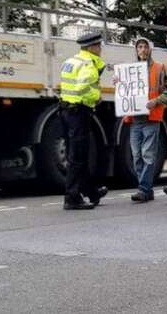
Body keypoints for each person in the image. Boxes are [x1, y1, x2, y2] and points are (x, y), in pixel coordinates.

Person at [58, 31, 109, 210]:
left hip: (65, 110)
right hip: (78, 112)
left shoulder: (71, 61)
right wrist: (95, 97)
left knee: (77, 154)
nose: (100, 49)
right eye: (99, 46)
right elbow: (82, 87)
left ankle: (90, 191)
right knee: (77, 157)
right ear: (92, 47)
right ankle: (71, 198)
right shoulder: (88, 65)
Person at [124, 38, 167, 203]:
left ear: (150, 50)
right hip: (135, 120)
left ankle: (143, 190)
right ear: (136, 50)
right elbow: (124, 93)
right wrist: (119, 84)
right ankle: (147, 189)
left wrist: (155, 101)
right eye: (139, 47)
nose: (142, 50)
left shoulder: (160, 68)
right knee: (136, 155)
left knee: (148, 155)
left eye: (145, 47)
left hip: (152, 118)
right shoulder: (129, 70)